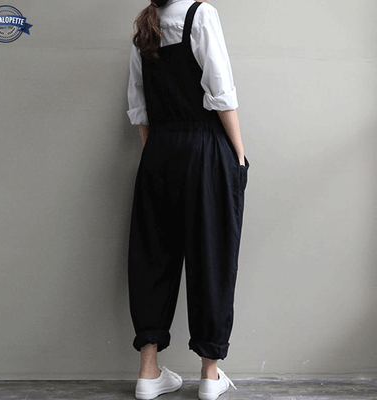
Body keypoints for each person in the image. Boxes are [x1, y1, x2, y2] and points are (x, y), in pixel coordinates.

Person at [126, 0, 249, 398]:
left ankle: (148, 372)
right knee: (211, 256)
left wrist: (158, 152)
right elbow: (221, 90)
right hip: (205, 147)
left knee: (151, 256)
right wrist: (239, 156)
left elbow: (139, 108)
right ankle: (210, 375)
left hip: (158, 151)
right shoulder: (201, 14)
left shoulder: (144, 26)